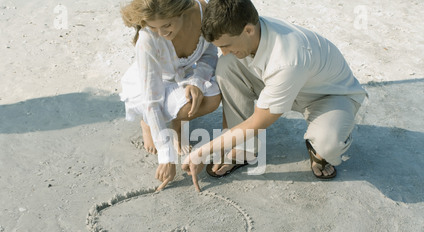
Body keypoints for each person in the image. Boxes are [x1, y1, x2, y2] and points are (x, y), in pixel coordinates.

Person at [182, 0, 367, 191]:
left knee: (329, 145)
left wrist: (201, 152)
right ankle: (244, 149)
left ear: (248, 30)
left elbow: (258, 122)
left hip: (329, 95)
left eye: (227, 45)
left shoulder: (286, 58)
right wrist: (223, 146)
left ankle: (319, 149)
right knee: (226, 66)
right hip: (291, 81)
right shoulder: (252, 28)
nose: (224, 51)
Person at [119, 0, 221, 191]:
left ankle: (178, 126)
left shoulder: (203, 12)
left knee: (213, 98)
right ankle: (147, 124)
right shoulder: (147, 39)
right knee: (153, 110)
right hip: (153, 82)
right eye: (153, 26)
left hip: (185, 76)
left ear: (182, 11)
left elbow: (210, 52)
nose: (162, 33)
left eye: (167, 25)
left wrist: (197, 82)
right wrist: (167, 157)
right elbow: (152, 100)